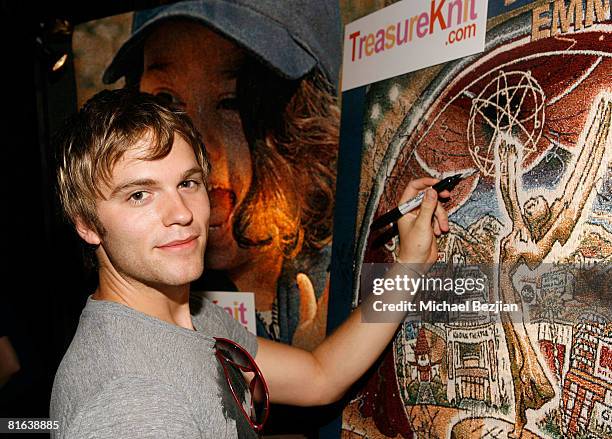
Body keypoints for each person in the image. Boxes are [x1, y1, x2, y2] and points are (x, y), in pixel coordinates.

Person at [50, 88, 450, 437]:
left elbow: (319, 376)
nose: (181, 213)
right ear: (87, 223)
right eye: (139, 194)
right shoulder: (130, 405)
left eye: (188, 183)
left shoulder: (188, 314)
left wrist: (409, 265)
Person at [101, 0, 341, 349]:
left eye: (231, 102)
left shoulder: (376, 266)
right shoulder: (136, 301)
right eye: (167, 102)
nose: (195, 148)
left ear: (308, 122)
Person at [496, 96, 610, 438]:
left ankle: (518, 423)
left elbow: (578, 185)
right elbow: (508, 192)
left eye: (535, 205)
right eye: (531, 204)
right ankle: (519, 420)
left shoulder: (536, 245)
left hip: (510, 305)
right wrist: (508, 158)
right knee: (521, 363)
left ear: (542, 217)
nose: (530, 202)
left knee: (522, 364)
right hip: (505, 303)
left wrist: (598, 135)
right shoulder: (520, 230)